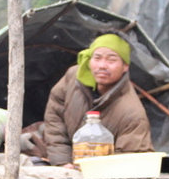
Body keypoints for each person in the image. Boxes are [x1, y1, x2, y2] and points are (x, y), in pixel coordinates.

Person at [43, 33, 154, 166]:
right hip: (65, 165)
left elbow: (129, 160)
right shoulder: (72, 78)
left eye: (111, 60)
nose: (102, 65)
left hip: (103, 174)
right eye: (97, 58)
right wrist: (62, 162)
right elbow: (55, 119)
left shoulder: (132, 113)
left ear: (125, 67)